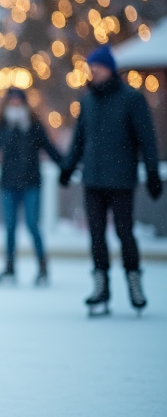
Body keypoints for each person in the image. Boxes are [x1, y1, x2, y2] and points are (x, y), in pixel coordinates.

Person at [59, 45, 162, 316]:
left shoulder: (131, 99)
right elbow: (79, 139)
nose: (94, 73)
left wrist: (152, 172)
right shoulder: (87, 102)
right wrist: (68, 168)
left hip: (121, 179)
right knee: (96, 235)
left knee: (124, 233)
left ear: (110, 69)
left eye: (99, 68)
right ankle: (101, 287)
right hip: (92, 179)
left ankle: (134, 283)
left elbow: (146, 139)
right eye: (91, 69)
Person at [0, 87, 62, 285]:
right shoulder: (2, 126)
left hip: (31, 184)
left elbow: (51, 150)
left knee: (33, 226)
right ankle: (10, 268)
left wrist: (67, 166)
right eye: (12, 101)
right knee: (10, 228)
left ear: (24, 103)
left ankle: (42, 268)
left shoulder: (34, 126)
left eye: (18, 101)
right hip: (8, 185)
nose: (15, 104)